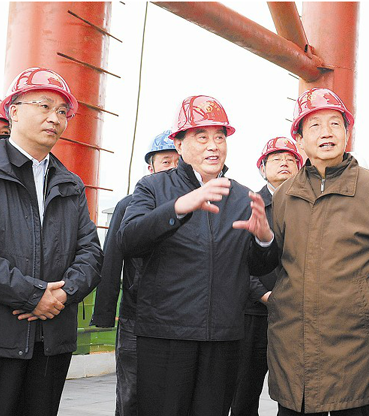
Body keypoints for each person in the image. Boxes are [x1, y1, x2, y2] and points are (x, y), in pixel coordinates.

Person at [118, 95, 275, 416]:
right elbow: (129, 240)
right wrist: (179, 206)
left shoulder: (242, 196)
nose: (213, 146)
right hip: (165, 335)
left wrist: (264, 238)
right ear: (179, 144)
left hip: (224, 338)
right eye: (202, 137)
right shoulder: (152, 187)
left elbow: (259, 266)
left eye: (219, 137)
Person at [267, 87, 369, 415]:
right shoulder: (285, 195)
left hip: (355, 344)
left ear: (347, 133)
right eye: (314, 125)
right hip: (295, 344)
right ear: (299, 139)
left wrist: (362, 303)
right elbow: (278, 265)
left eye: (335, 123)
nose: (326, 132)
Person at [0, 67, 103, 416]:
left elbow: (91, 252)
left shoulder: (70, 184)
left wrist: (61, 295)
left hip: (52, 342)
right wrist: (33, 295)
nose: (55, 118)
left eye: (62, 111)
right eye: (44, 106)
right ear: (14, 111)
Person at [91, 130, 179, 416]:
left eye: (178, 162)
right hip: (136, 315)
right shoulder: (129, 205)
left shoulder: (200, 204)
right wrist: (105, 313)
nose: (172, 168)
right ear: (150, 167)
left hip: (182, 316)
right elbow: (111, 260)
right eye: (165, 161)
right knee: (131, 393)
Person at [231, 137, 302, 416]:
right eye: (276, 159)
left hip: (296, 316)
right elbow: (237, 258)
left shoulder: (307, 206)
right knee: (244, 391)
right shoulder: (248, 204)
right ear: (262, 168)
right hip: (254, 313)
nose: (284, 163)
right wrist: (263, 294)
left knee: (295, 394)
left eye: (291, 159)